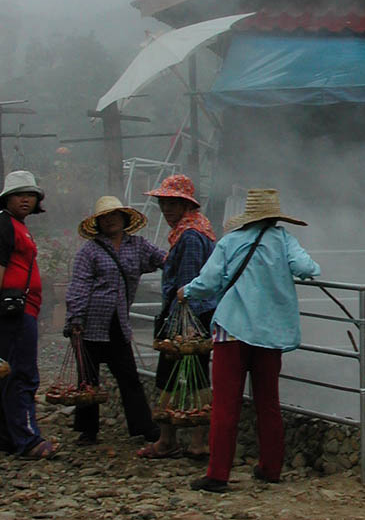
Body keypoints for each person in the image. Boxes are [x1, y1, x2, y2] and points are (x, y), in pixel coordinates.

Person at [178, 188, 321, 493]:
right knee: (268, 403)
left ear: (248, 216)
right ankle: (270, 468)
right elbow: (307, 269)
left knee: (225, 405)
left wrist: (186, 291)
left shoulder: (230, 241)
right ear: (274, 217)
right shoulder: (284, 240)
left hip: (231, 331)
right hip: (270, 333)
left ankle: (218, 474)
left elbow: (208, 283)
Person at [65, 196, 166, 447]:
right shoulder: (89, 251)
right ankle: (88, 431)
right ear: (98, 223)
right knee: (88, 379)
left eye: (114, 215)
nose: (110, 220)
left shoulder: (138, 246)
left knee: (128, 375)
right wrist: (75, 318)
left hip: (118, 322)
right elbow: (79, 285)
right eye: (104, 217)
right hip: (91, 321)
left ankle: (144, 427)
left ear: (124, 218)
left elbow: (163, 259)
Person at [137, 174, 217, 460]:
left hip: (186, 316)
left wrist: (179, 323)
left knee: (174, 375)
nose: (166, 210)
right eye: (163, 204)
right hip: (196, 314)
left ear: (186, 205)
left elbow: (187, 283)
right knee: (194, 375)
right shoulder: (196, 229)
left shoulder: (191, 236)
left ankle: (176, 440)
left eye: (172, 204)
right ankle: (189, 440)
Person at [0, 170, 59, 459]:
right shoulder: (4, 224)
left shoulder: (17, 225)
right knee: (22, 373)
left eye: (30, 195)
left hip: (23, 308)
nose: (25, 200)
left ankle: (8, 437)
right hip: (14, 309)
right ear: (7, 198)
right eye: (19, 195)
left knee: (7, 372)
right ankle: (28, 438)